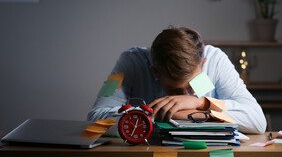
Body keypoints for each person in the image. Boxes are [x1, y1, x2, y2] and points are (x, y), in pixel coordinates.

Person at [87, 26, 266, 134]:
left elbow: (258, 122)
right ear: (154, 72)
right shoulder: (130, 62)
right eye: (175, 90)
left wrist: (201, 104)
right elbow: (95, 117)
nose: (183, 98)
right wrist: (154, 114)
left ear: (202, 65)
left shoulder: (215, 60)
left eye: (191, 86)